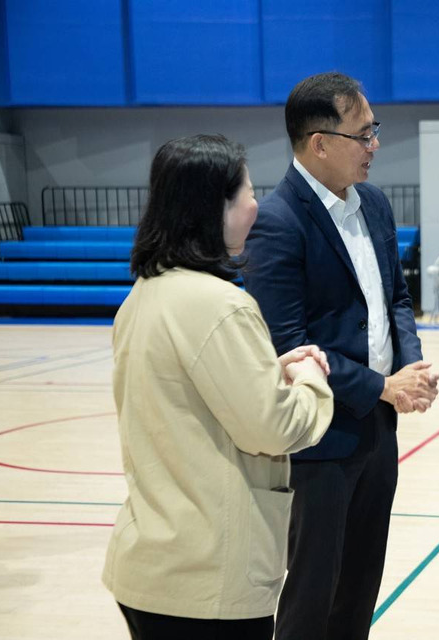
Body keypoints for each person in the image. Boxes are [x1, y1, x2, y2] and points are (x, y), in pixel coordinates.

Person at [103, 134, 335, 640]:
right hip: (209, 581)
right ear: (216, 209)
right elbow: (274, 428)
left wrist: (269, 371)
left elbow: (194, 392)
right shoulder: (221, 305)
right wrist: (312, 380)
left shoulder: (144, 296)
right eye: (248, 192)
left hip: (151, 568)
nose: (256, 205)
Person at [242, 72, 439, 640]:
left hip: (378, 429)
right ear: (320, 143)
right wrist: (382, 385)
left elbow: (396, 298)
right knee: (313, 593)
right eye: (363, 134)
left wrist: (410, 369)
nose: (375, 144)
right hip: (319, 440)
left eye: (375, 129)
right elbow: (289, 342)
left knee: (359, 588)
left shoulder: (373, 203)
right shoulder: (278, 222)